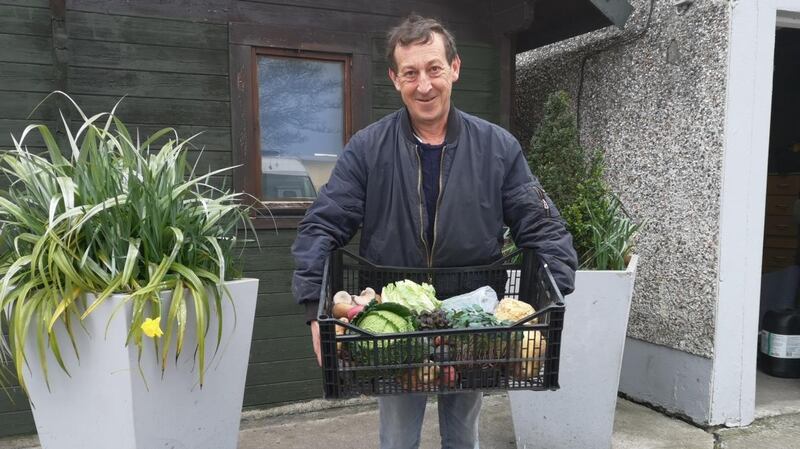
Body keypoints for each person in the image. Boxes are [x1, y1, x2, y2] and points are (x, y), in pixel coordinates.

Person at [292, 14, 578, 449]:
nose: (423, 85)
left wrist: (552, 293)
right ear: (394, 78)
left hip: (472, 325)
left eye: (434, 69)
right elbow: (323, 224)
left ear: (455, 69)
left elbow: (540, 225)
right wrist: (316, 308)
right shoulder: (368, 149)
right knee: (399, 436)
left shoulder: (497, 148)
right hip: (395, 323)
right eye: (410, 73)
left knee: (463, 434)